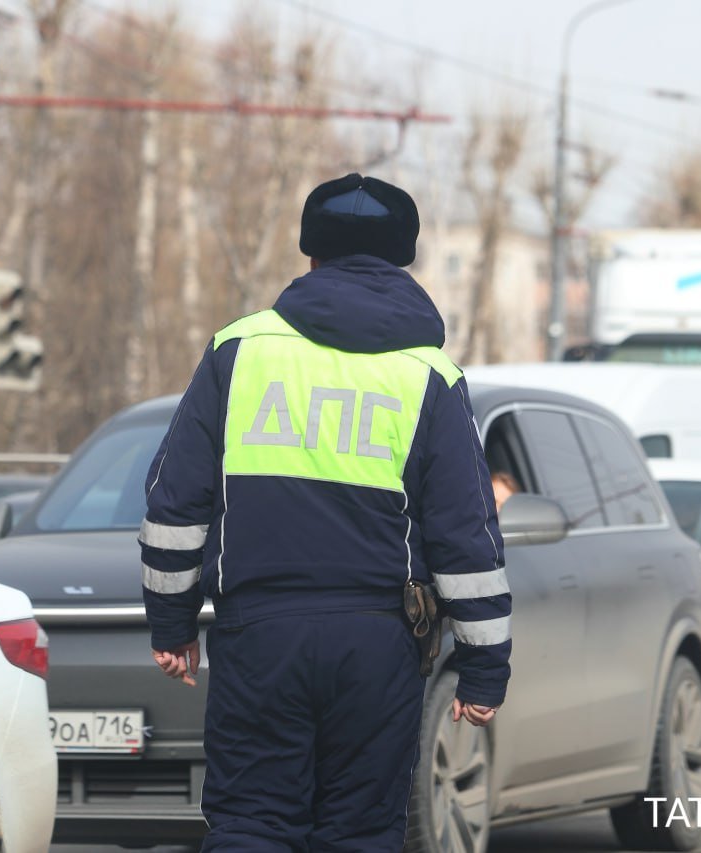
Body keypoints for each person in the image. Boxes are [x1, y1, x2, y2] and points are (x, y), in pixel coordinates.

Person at [138, 173, 511, 851]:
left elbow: (174, 503)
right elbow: (467, 536)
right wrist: (486, 666)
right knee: (360, 832)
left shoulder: (239, 351)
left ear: (310, 256)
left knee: (251, 823)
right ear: (403, 259)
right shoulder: (432, 375)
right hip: (378, 645)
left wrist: (171, 623)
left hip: (259, 638)